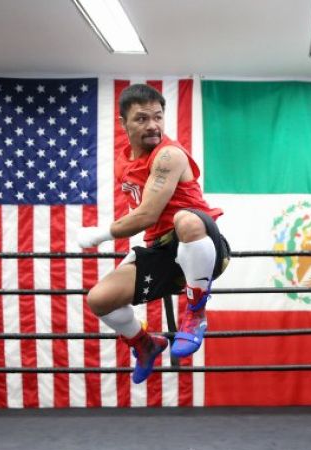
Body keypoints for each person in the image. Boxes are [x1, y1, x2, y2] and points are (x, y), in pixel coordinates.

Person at [77, 84, 229, 385]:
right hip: (163, 252)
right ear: (124, 123)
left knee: (185, 220)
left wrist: (99, 234)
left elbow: (147, 214)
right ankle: (145, 343)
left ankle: (196, 311)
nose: (153, 125)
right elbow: (144, 218)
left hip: (202, 244)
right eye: (142, 118)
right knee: (99, 299)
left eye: (158, 117)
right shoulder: (126, 161)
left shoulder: (168, 155)